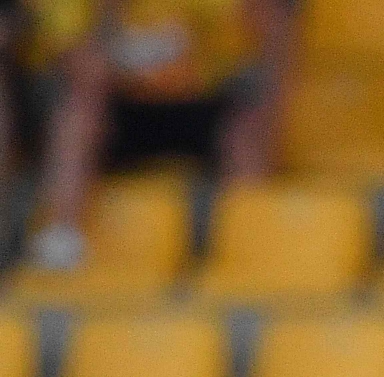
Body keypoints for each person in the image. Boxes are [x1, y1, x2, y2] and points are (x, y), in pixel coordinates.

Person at [25, 0, 288, 272]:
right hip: (121, 108)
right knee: (78, 109)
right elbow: (78, 62)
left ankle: (250, 249)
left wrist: (187, 56)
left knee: (244, 127)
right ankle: (63, 232)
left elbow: (241, 49)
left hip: (194, 100)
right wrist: (129, 60)